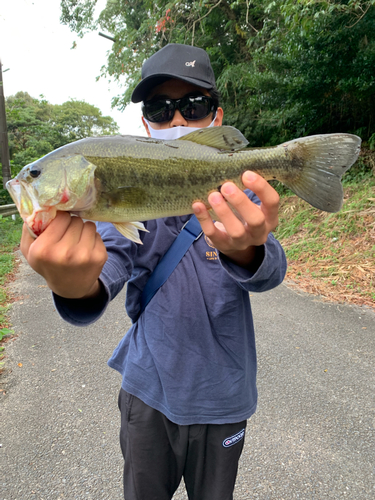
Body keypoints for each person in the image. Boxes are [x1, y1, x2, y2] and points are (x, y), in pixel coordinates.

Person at [20, 44, 287, 500]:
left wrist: (247, 251)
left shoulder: (238, 197)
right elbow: (107, 267)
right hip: (147, 394)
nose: (177, 120)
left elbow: (271, 270)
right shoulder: (109, 209)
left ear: (216, 118)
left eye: (193, 105)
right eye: (160, 109)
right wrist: (72, 287)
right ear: (145, 124)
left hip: (224, 399)